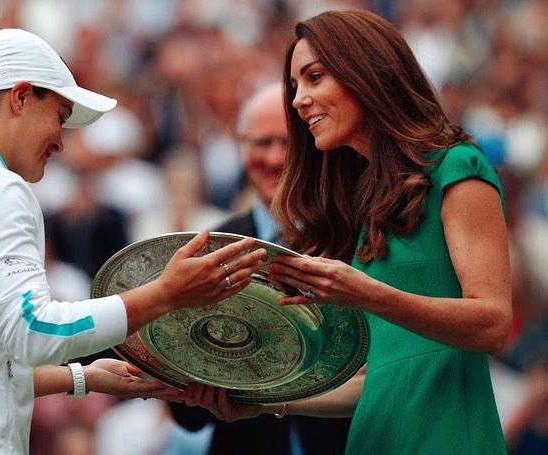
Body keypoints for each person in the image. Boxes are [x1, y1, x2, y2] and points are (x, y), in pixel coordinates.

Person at [0, 28, 268, 454]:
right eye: (59, 116)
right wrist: (167, 293)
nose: (61, 141)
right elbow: (34, 330)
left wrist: (84, 377)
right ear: (19, 97)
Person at [185, 9, 512, 455]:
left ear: (366, 73)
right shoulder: (370, 200)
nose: (299, 100)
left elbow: (493, 323)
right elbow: (373, 379)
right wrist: (265, 403)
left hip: (446, 436)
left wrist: (365, 292)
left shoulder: (457, 167)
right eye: (296, 86)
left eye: (314, 77)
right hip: (374, 439)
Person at [168, 82, 352, 454]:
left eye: (287, 144)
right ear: (241, 146)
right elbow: (187, 413)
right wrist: (199, 392)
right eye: (261, 143)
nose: (273, 158)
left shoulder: (352, 237)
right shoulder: (210, 249)